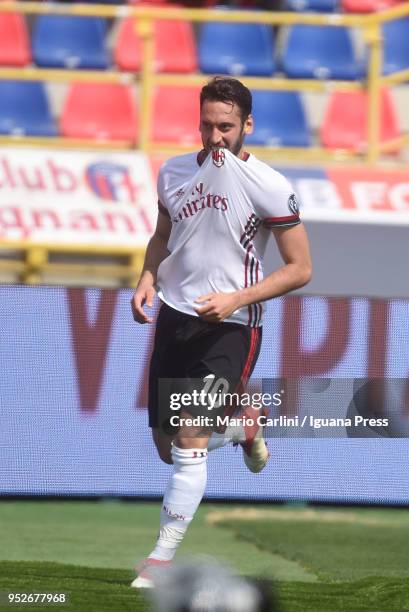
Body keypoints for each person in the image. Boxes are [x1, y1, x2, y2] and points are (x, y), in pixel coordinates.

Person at [130, 76, 312, 588]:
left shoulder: (271, 185)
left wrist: (236, 298)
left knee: (188, 439)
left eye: (226, 127)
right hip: (174, 318)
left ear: (247, 126)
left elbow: (300, 268)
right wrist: (147, 277)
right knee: (168, 448)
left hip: (231, 326)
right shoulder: (172, 172)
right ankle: (241, 427)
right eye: (207, 125)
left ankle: (160, 560)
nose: (215, 137)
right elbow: (163, 235)